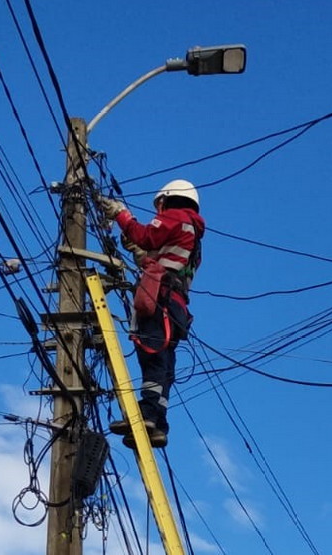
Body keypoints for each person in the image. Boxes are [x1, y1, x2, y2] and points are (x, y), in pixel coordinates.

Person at [98, 179, 205, 448]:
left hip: (160, 299)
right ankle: (158, 422)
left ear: (167, 200)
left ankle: (146, 414)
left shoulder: (176, 216)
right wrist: (138, 251)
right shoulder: (193, 234)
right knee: (165, 364)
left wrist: (121, 215)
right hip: (177, 305)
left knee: (152, 355)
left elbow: (145, 236)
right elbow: (157, 258)